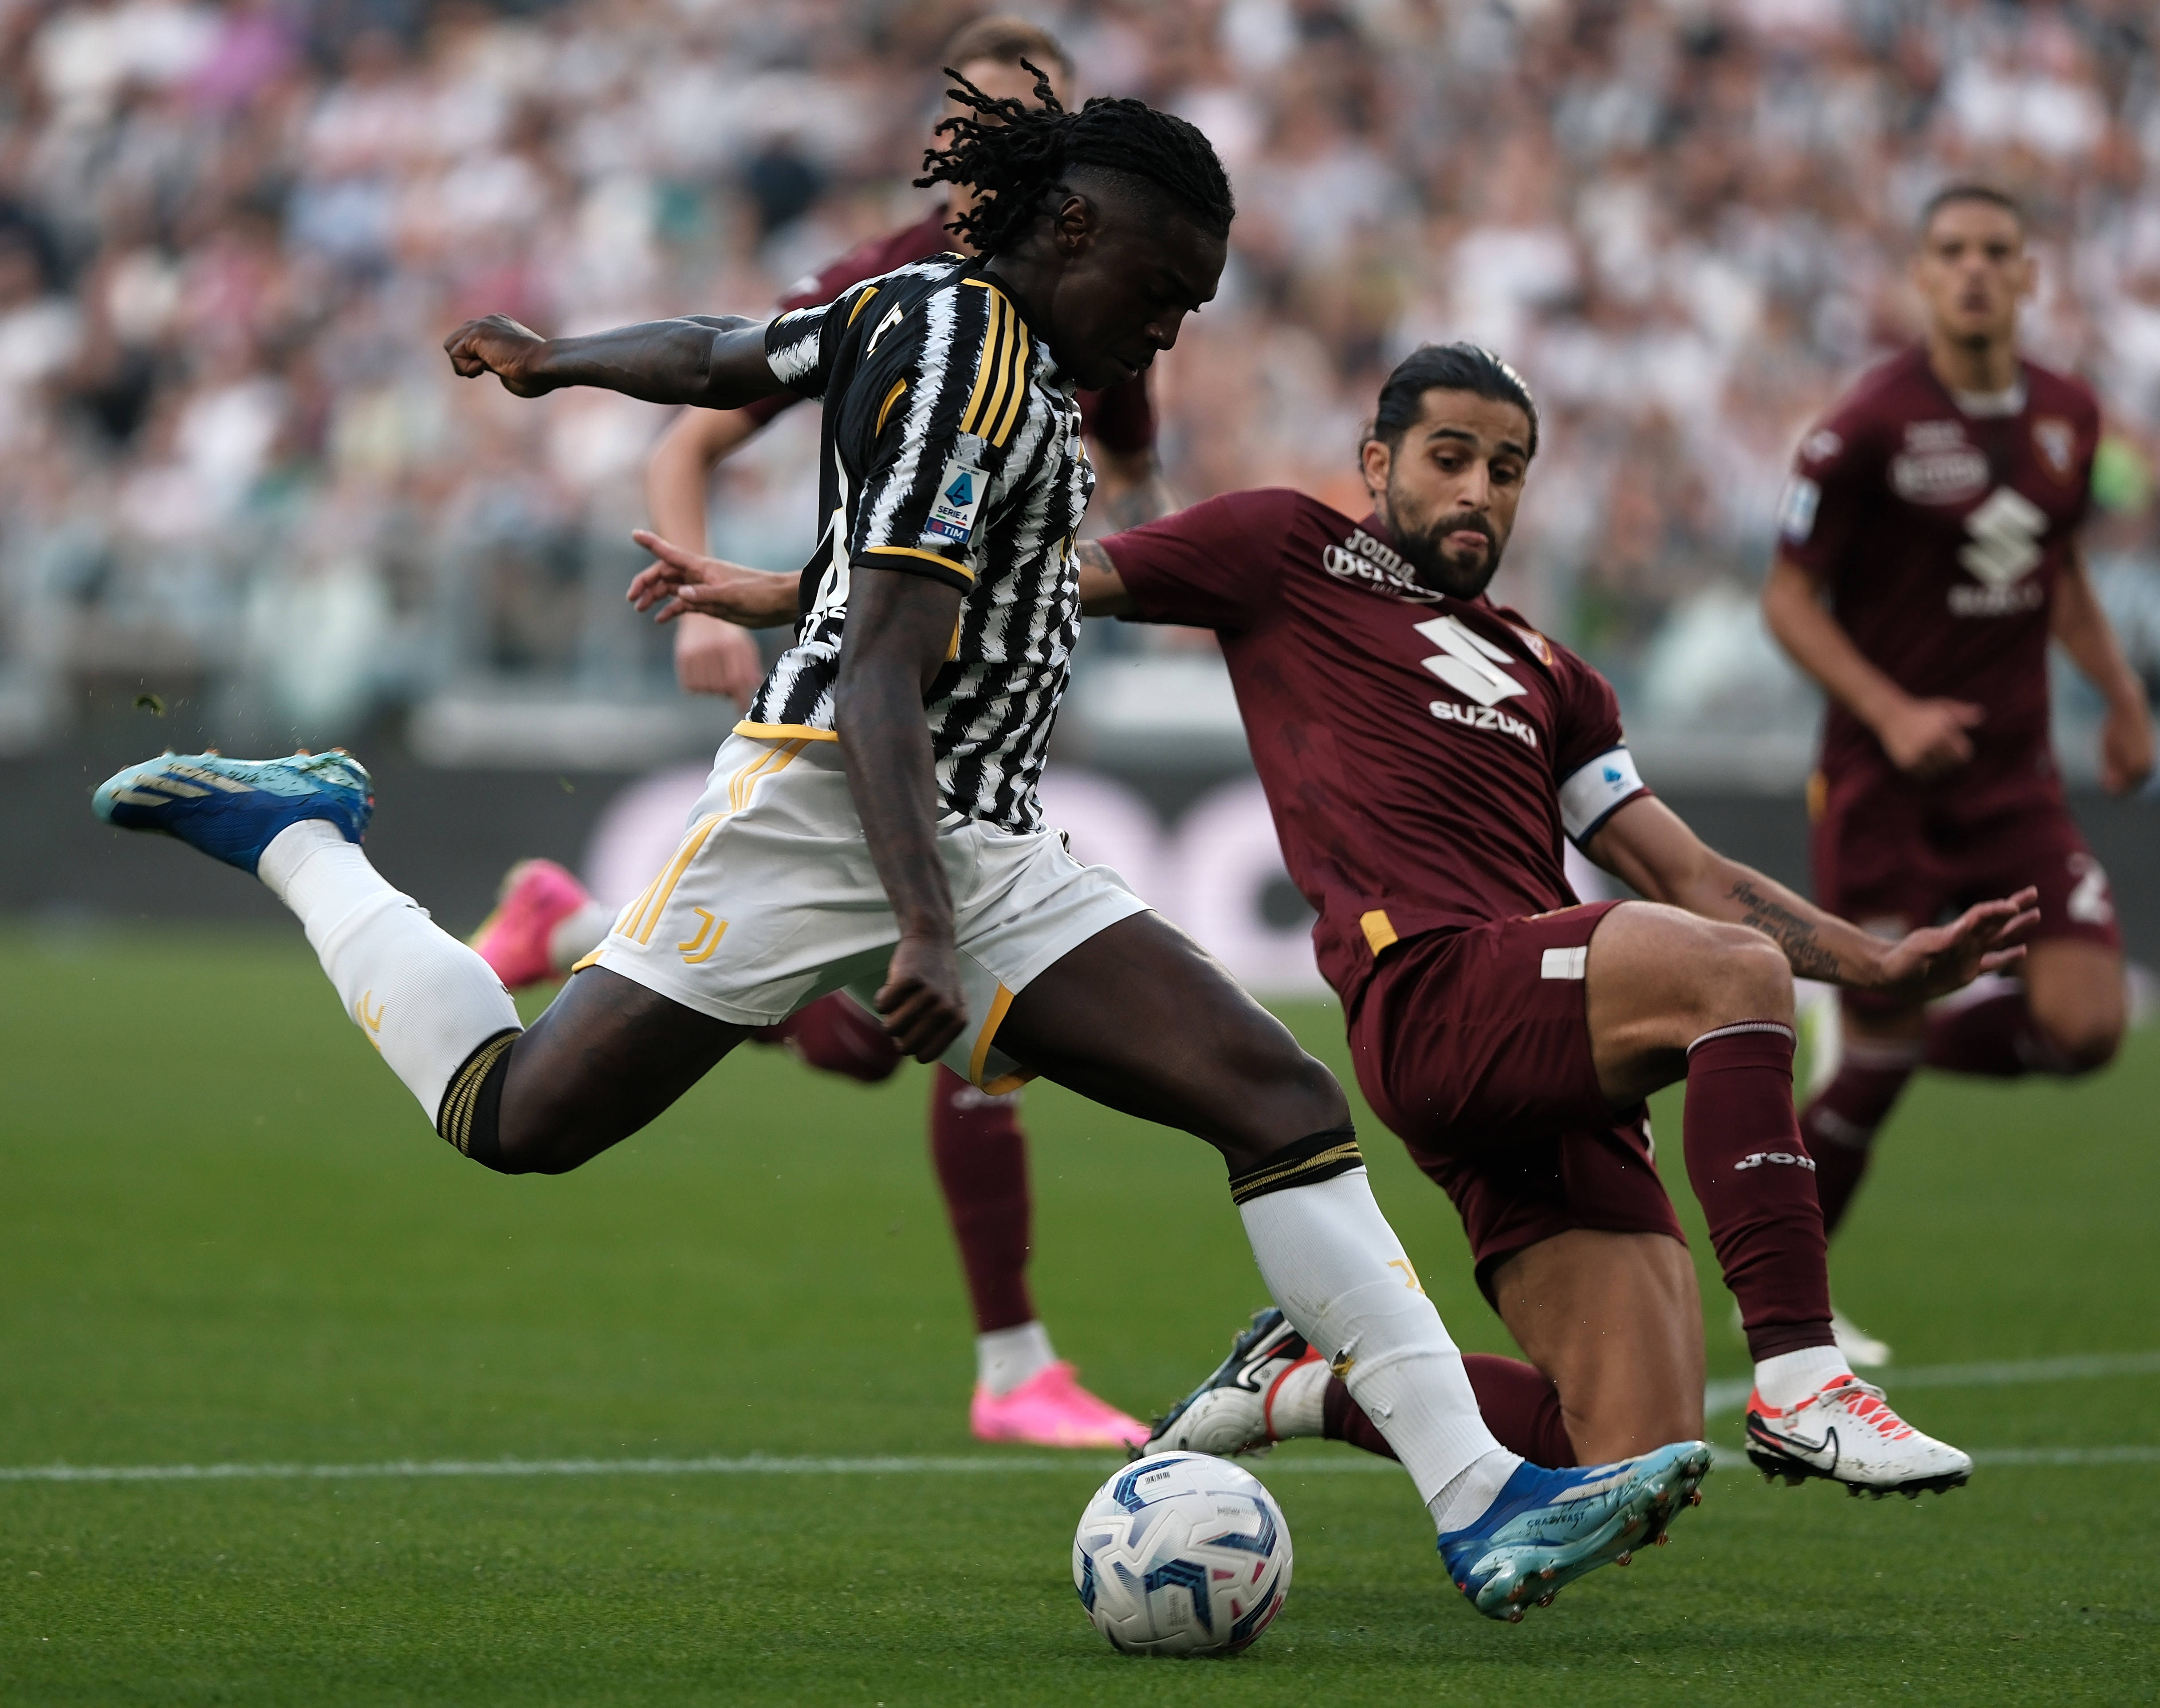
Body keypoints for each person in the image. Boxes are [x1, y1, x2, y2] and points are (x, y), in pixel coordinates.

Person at [93, 77, 1708, 1623]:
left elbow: (732, 352)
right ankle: (308, 839)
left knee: (1275, 1102)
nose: (1178, 322)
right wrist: (923, 936)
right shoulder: (970, 358)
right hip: (827, 803)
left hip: (975, 820)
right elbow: (878, 661)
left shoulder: (925, 314)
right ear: (1075, 228)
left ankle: (1482, 1497)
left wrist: (559, 358)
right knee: (516, 1117)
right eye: (1168, 284)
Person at [1069, 346, 2021, 1492]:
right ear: (1379, 462)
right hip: (1434, 991)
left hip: (1546, 1034)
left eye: (1508, 467)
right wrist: (827, 600)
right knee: (1733, 975)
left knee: (1633, 1451)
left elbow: (1692, 873)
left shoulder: (1554, 675)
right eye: (1451, 457)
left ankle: (1300, 1380)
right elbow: (1068, 582)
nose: (1480, 489)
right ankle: (1804, 1378)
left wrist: (1879, 963)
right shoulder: (1287, 549)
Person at [469, 17, 1158, 1453]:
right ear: (944, 122)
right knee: (957, 1005)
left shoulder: (1101, 291)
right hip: (874, 670)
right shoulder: (890, 283)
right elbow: (704, 414)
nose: (994, 144)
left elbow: (1114, 491)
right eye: (974, 112)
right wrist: (718, 600)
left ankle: (580, 916)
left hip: (998, 677)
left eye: (1028, 117)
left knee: (858, 1041)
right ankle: (1015, 1357)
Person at [1763, 185, 2154, 1329]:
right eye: (1951, 252)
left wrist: (2124, 696)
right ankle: (1787, 1310)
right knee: (1875, 1062)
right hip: (1884, 780)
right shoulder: (1865, 425)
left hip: (2014, 779)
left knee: (2086, 1028)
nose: (1975, 270)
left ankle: (1892, 1030)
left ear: (2030, 274)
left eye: (1996, 251)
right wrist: (1889, 713)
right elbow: (1787, 601)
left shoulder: (2071, 416)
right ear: (1922, 278)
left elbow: (2058, 571)